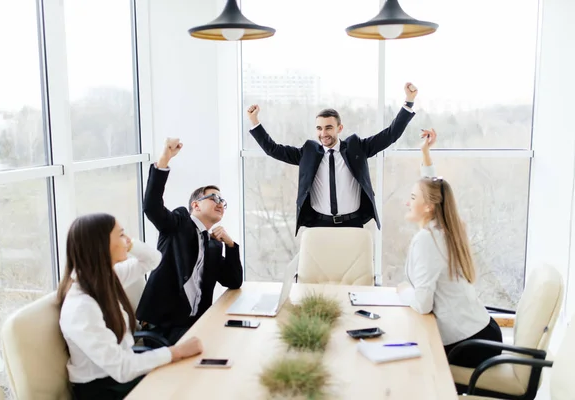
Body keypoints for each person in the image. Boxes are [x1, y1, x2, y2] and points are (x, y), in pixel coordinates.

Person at [58, 213, 203, 400]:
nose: (127, 240)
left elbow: (153, 260)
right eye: (120, 235)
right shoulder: (81, 307)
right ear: (101, 245)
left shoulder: (107, 277)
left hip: (122, 372)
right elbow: (122, 369)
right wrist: (176, 352)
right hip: (104, 389)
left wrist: (131, 244)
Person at [246, 83, 418, 235]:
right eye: (319, 128)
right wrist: (254, 121)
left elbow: (390, 134)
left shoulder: (356, 147)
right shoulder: (308, 153)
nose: (323, 133)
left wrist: (408, 102)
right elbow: (273, 149)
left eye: (328, 128)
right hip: (319, 224)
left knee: (352, 270)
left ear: (339, 128)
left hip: (352, 224)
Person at [397, 129, 502, 368]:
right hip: (483, 333)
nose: (407, 201)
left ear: (428, 207)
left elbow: (422, 304)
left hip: (469, 346)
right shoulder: (448, 227)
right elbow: (436, 191)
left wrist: (402, 290)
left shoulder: (428, 239)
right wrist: (425, 154)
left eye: (413, 197)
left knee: (409, 365)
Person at [136, 138, 243, 345]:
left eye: (223, 201)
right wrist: (164, 160)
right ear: (196, 205)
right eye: (215, 198)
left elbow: (233, 281)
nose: (221, 204)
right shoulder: (178, 222)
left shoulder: (212, 244)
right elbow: (151, 206)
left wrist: (230, 246)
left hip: (193, 324)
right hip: (164, 328)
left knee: (235, 339)